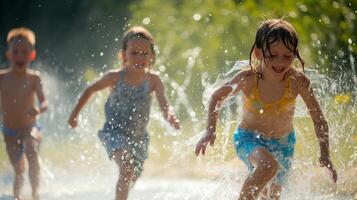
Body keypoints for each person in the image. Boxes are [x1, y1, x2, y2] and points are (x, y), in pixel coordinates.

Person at [195, 19, 337, 200]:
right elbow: (217, 97)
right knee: (268, 166)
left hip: (284, 145)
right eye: (273, 55)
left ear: (294, 54)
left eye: (287, 56)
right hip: (249, 138)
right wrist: (210, 129)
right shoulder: (248, 79)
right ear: (259, 52)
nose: (280, 62)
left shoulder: (297, 82)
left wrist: (325, 155)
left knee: (270, 197)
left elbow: (319, 119)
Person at [68, 26, 180, 200]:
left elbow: (165, 104)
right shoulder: (114, 77)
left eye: (144, 53)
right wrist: (74, 114)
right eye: (134, 52)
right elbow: (90, 89)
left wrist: (170, 116)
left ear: (152, 56)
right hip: (113, 132)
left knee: (132, 175)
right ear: (123, 55)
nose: (139, 57)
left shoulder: (153, 80)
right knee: (127, 169)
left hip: (139, 138)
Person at [1, 27, 48, 200]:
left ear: (32, 55)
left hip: (31, 127)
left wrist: (39, 108)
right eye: (15, 52)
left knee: (31, 152)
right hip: (10, 132)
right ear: (8, 54)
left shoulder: (34, 78)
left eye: (24, 52)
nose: (20, 56)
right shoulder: (2, 78)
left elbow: (44, 102)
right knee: (19, 169)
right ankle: (17, 196)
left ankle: (36, 195)